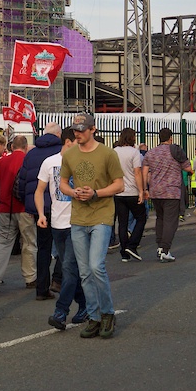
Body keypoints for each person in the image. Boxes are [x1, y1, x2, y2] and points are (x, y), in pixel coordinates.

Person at [60, 113, 124, 339]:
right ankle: (94, 316)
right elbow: (62, 182)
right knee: (84, 271)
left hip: (102, 215)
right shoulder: (70, 154)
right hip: (78, 217)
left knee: (97, 266)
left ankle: (107, 313)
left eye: (82, 129)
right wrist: (73, 192)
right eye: (75, 129)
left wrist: (96, 193)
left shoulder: (108, 154)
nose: (77, 133)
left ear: (93, 129)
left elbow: (119, 184)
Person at [38, 128, 89, 331]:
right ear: (67, 142)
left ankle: (61, 311)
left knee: (68, 268)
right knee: (71, 270)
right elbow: (39, 190)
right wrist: (42, 214)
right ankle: (85, 305)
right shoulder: (49, 162)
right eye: (77, 141)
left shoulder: (83, 162)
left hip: (76, 223)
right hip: (56, 223)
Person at [17, 123, 64, 300]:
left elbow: (23, 181)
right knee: (64, 244)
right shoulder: (61, 152)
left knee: (43, 247)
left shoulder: (32, 153)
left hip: (39, 207)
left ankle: (42, 288)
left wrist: (28, 204)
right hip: (60, 205)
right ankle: (58, 279)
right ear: (59, 135)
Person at [0, 135, 34, 292]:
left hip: (4, 208)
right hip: (24, 209)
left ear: (12, 147)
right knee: (29, 242)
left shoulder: (2, 162)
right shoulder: (28, 161)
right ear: (26, 147)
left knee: (2, 242)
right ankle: (30, 277)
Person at [142, 127, 192, 261]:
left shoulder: (150, 153)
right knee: (171, 221)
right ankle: (165, 249)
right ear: (171, 138)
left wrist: (144, 189)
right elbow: (188, 168)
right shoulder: (175, 150)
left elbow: (145, 172)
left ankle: (159, 245)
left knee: (160, 218)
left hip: (155, 191)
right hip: (171, 191)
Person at [112, 128, 146, 262]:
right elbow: (137, 172)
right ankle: (132, 245)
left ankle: (124, 252)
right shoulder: (134, 152)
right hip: (132, 190)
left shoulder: (114, 152)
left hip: (118, 191)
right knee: (141, 217)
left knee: (122, 222)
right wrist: (141, 191)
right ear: (132, 137)